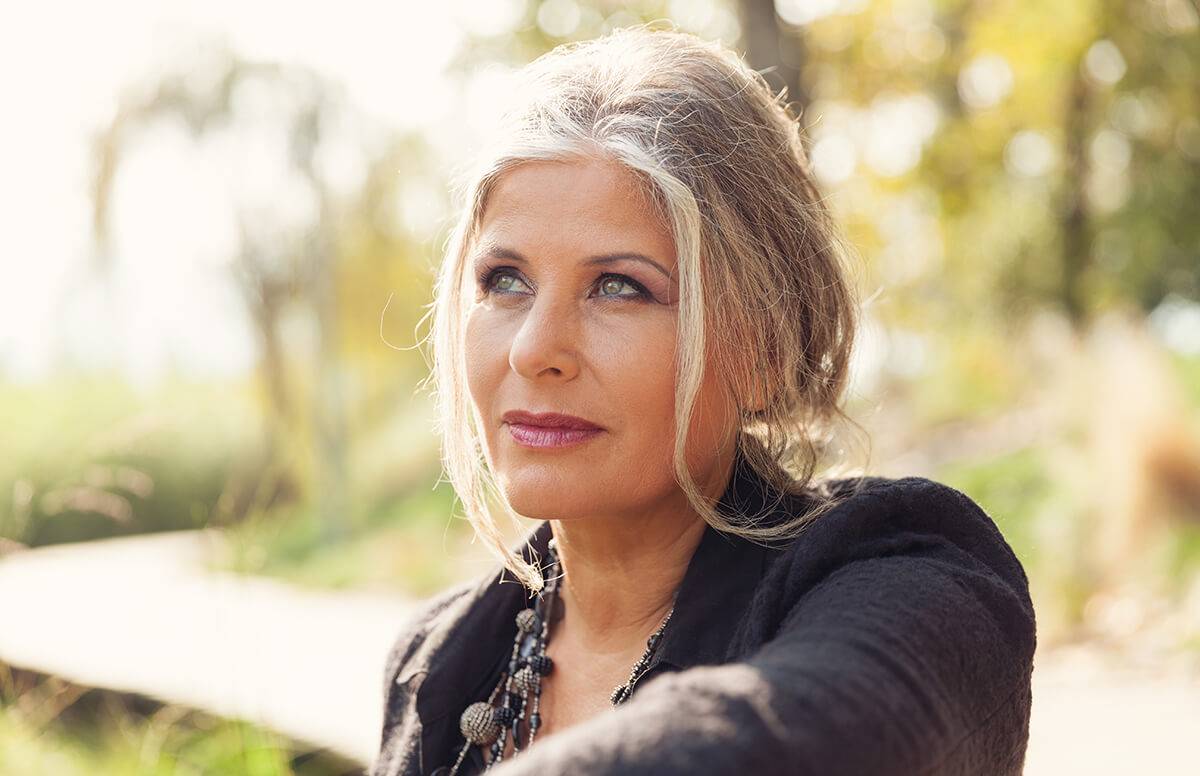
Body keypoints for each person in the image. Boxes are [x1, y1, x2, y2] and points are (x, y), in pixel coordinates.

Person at [371, 23, 1035, 776]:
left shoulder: (917, 577)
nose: (533, 349)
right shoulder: (434, 662)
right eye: (506, 281)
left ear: (763, 348)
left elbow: (803, 734)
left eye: (618, 287)